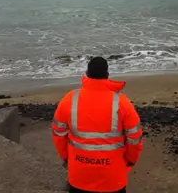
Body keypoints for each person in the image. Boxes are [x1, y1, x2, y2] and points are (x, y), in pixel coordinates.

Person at [52, 57, 143, 193]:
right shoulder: (122, 102)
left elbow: (58, 133)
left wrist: (67, 158)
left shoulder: (70, 99)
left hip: (79, 175)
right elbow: (135, 139)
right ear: (107, 75)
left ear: (87, 73)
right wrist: (130, 161)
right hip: (112, 177)